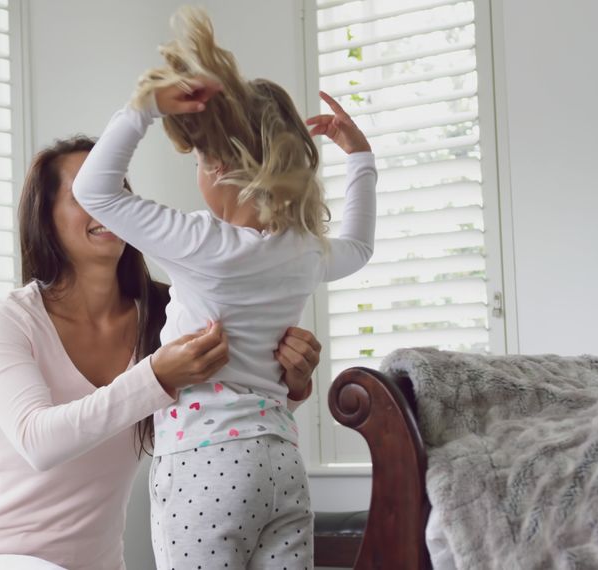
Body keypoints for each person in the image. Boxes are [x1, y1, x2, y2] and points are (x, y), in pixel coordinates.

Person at [0, 136, 323, 570]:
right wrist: (156, 375)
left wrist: (293, 382)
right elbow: (38, 441)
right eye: (85, 192)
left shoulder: (172, 315)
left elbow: (226, 418)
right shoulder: (7, 319)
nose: (106, 200)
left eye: (116, 187)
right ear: (46, 217)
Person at [72, 7, 376, 568]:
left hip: (204, 458)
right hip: (281, 461)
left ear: (216, 166)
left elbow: (96, 191)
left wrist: (142, 109)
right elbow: (357, 250)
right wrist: (360, 160)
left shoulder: (201, 243)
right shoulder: (302, 247)